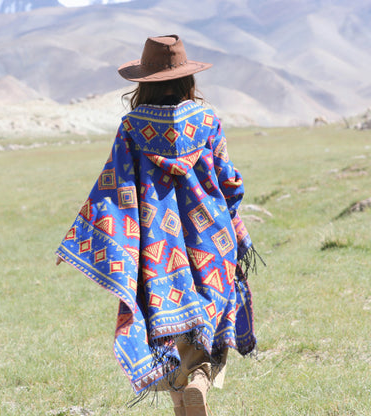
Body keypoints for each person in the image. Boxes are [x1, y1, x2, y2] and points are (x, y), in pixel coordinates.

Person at [56, 34, 258, 416]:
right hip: (212, 236)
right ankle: (200, 379)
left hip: (157, 247)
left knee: (167, 330)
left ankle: (188, 386)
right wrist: (230, 222)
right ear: (187, 80)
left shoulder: (131, 128)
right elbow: (230, 181)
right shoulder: (208, 120)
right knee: (208, 322)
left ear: (143, 83)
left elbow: (113, 189)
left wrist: (92, 237)